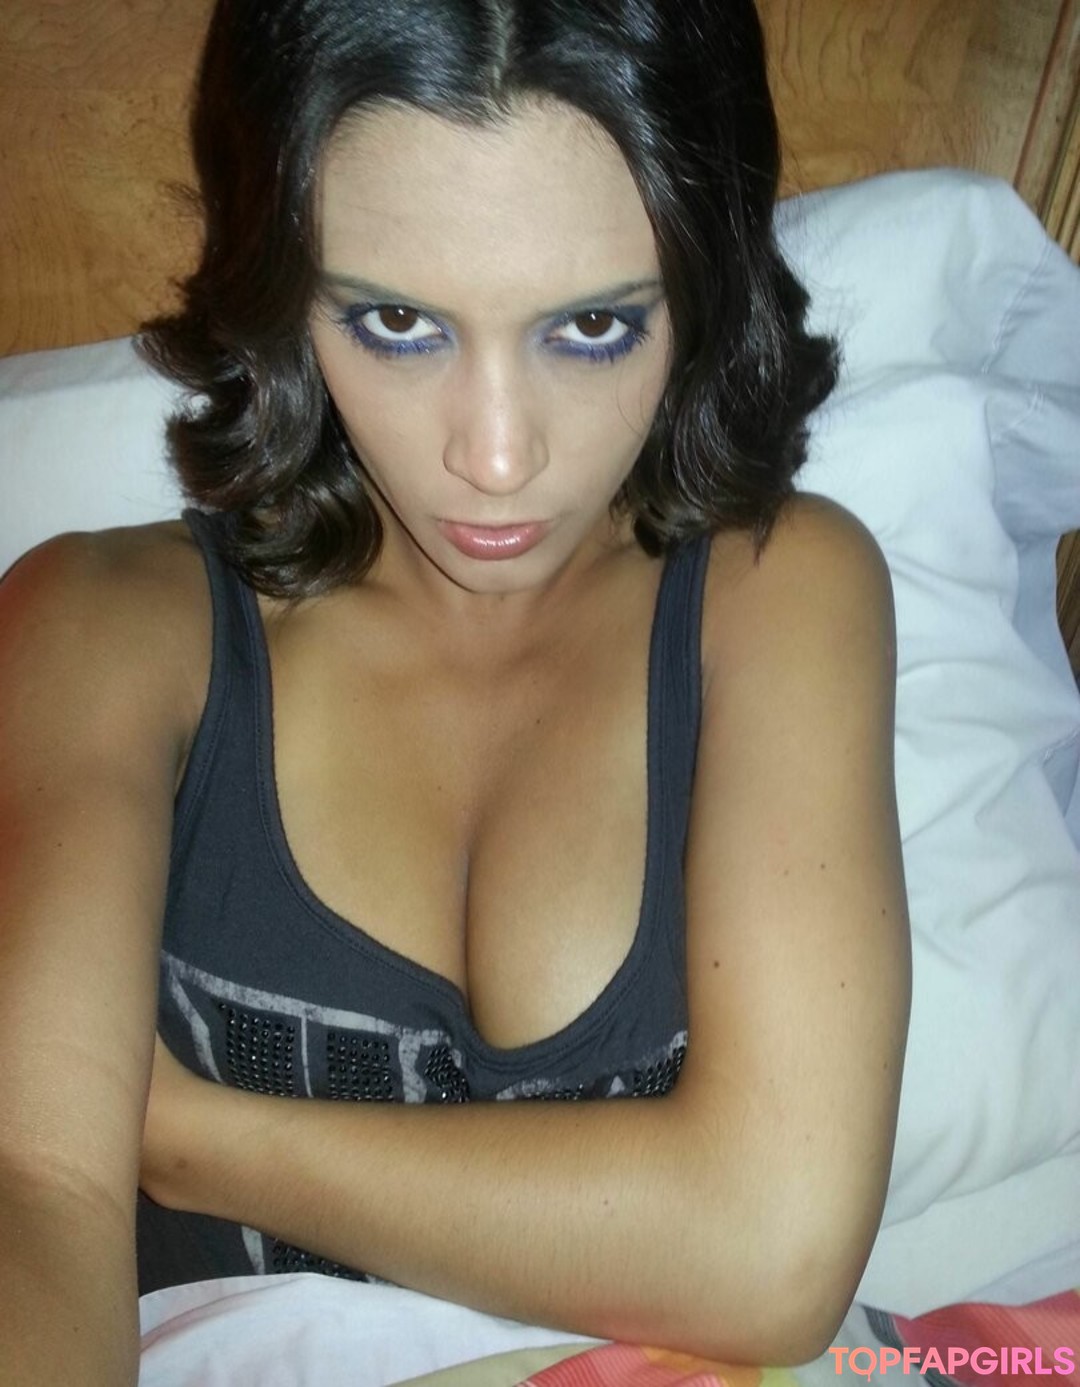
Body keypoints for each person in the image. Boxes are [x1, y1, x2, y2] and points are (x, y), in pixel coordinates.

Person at [0, 0, 911, 1382]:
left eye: (593, 324)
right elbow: (33, 1190)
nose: (495, 457)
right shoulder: (96, 623)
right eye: (397, 322)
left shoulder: (779, 593)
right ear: (283, 285)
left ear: (702, 286)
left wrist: (186, 1136)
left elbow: (776, 1254)